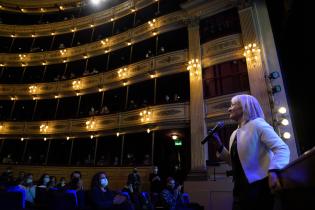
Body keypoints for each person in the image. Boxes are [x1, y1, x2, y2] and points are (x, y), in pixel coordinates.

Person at [211, 94, 290, 210]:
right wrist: (219, 146)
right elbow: (236, 163)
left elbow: (282, 149)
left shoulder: (258, 124)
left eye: (232, 105)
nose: (229, 108)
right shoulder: (234, 134)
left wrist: (273, 171)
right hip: (240, 188)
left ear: (244, 107)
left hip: (259, 187)